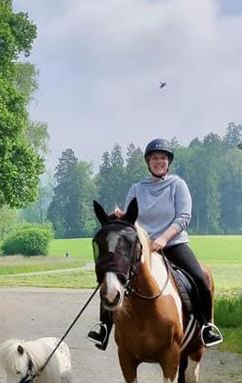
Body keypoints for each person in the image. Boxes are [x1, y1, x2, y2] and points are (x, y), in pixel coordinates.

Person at [87, 138, 224, 350]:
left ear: (168, 162)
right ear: (148, 162)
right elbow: (130, 221)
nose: (158, 162)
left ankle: (207, 326)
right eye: (154, 158)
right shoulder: (137, 188)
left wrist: (163, 239)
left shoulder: (178, 185)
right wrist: (120, 216)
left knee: (200, 278)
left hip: (173, 243)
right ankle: (104, 326)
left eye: (162, 158)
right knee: (113, 276)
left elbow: (184, 217)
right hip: (142, 247)